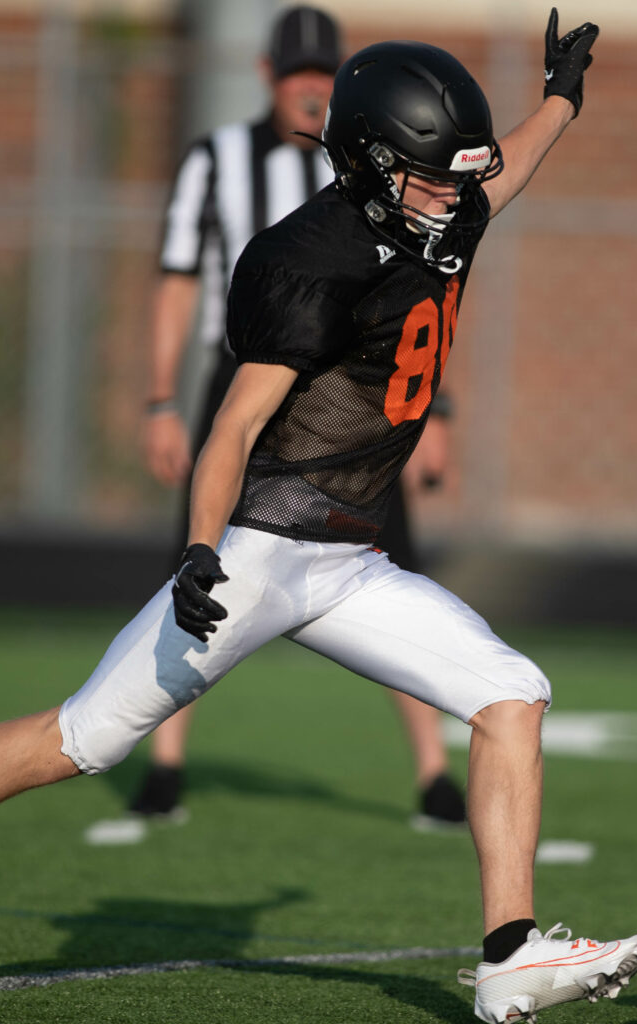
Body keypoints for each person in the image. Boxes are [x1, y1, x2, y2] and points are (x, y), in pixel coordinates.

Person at [0, 13, 637, 1023]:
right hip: (262, 553)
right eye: (434, 176)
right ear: (373, 167)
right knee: (77, 740)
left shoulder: (435, 212)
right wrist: (198, 549)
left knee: (512, 693)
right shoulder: (311, 257)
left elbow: (506, 171)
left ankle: (508, 954)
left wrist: (562, 97)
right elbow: (232, 426)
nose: (458, 195)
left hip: (351, 563)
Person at [136, 3, 466, 831]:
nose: (311, 90)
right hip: (245, 375)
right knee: (199, 557)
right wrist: (160, 398)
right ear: (267, 77)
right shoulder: (216, 159)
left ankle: (433, 770)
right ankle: (165, 759)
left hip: (354, 383)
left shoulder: (373, 167)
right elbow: (177, 277)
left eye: (323, 75)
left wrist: (438, 408)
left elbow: (416, 292)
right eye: (297, 76)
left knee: (391, 554)